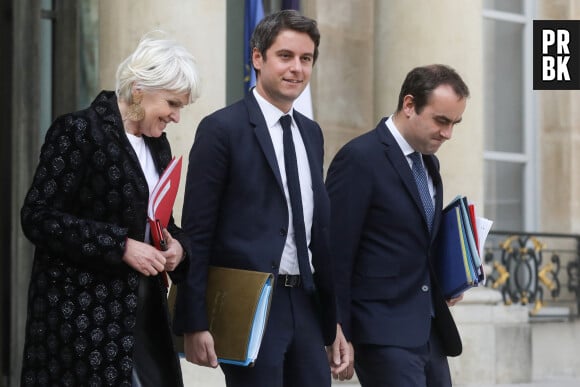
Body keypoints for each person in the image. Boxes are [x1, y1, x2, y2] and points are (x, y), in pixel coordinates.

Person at [173, 9, 349, 387]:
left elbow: (318, 229)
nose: (297, 69)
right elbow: (198, 232)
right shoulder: (221, 129)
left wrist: (332, 320)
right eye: (285, 56)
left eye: (306, 59)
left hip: (306, 301)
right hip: (250, 305)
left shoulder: (312, 134)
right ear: (257, 58)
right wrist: (195, 320)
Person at [19, 32, 201, 387]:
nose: (176, 117)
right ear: (138, 90)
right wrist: (121, 246)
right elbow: (37, 217)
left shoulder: (157, 146)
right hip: (83, 329)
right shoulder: (78, 131)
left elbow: (159, 222)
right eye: (172, 104)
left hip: (144, 319)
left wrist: (178, 247)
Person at [325, 64, 470, 387]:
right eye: (441, 121)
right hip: (380, 332)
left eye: (454, 123)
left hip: (429, 330)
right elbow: (335, 252)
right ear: (409, 105)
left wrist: (449, 279)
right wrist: (336, 328)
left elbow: (417, 243)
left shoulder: (429, 163)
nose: (448, 134)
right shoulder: (359, 158)